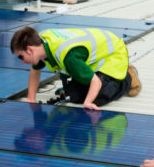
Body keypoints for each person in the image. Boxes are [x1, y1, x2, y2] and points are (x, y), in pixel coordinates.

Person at [10, 26, 141, 110]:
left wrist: (88, 103)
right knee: (73, 94)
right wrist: (31, 98)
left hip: (113, 54)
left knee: (97, 97)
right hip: (90, 56)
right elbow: (35, 70)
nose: (22, 62)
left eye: (20, 57)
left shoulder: (68, 56)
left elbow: (95, 81)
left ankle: (128, 77)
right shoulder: (41, 44)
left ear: (30, 50)